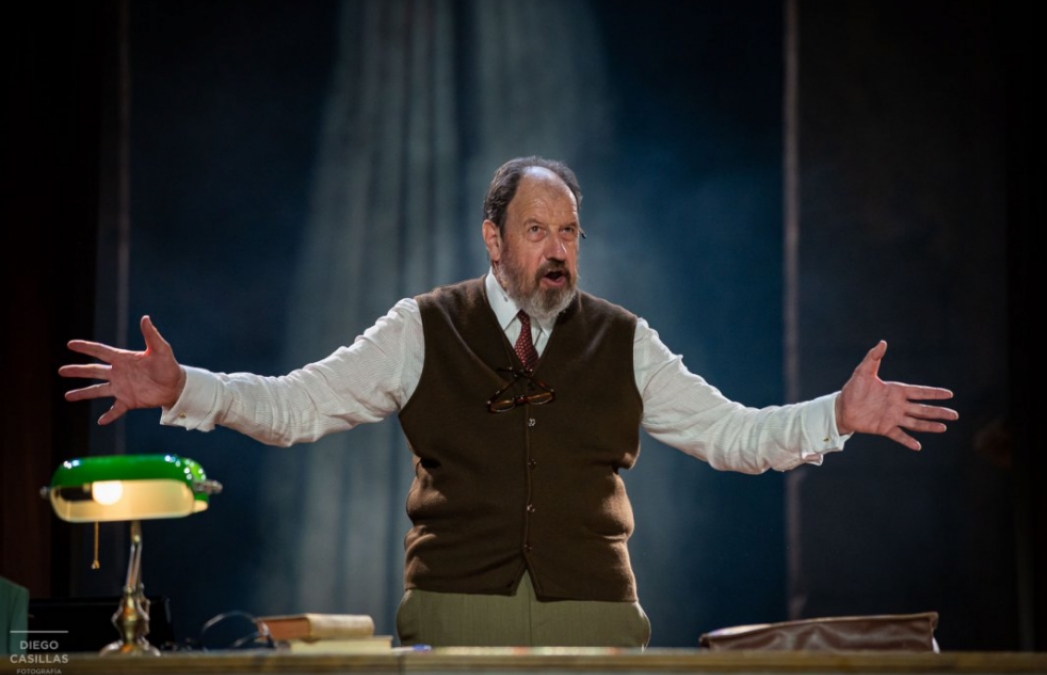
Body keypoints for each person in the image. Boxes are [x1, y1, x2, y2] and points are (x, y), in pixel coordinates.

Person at [60, 156, 958, 649]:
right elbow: (298, 405)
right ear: (493, 239)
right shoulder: (422, 326)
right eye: (537, 231)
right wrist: (185, 387)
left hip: (596, 620)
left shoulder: (623, 338)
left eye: (569, 232)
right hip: (455, 617)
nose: (558, 250)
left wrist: (836, 416)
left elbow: (733, 433)